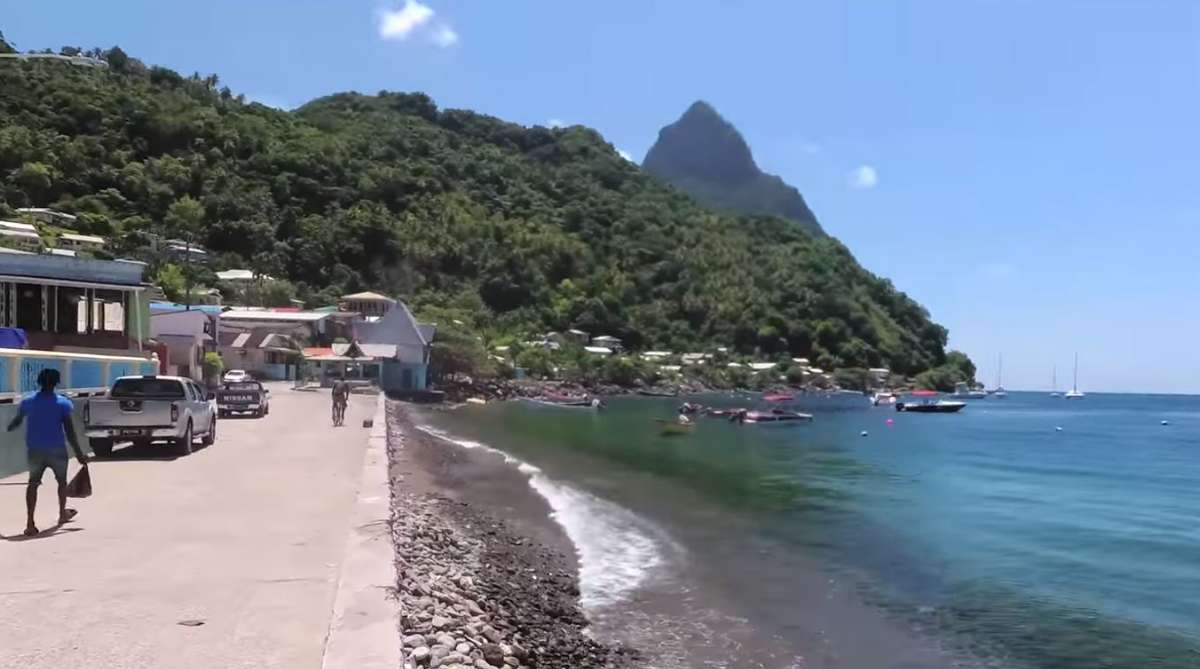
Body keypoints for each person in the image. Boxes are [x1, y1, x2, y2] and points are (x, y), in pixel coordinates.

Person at [7, 368, 87, 536]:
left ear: (39, 381)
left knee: (33, 483)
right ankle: (62, 514)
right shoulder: (63, 403)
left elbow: (15, 422)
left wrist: (11, 426)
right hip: (57, 449)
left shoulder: (28, 402)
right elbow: (70, 432)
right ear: (57, 382)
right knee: (61, 482)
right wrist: (79, 453)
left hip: (35, 449)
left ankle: (30, 523)